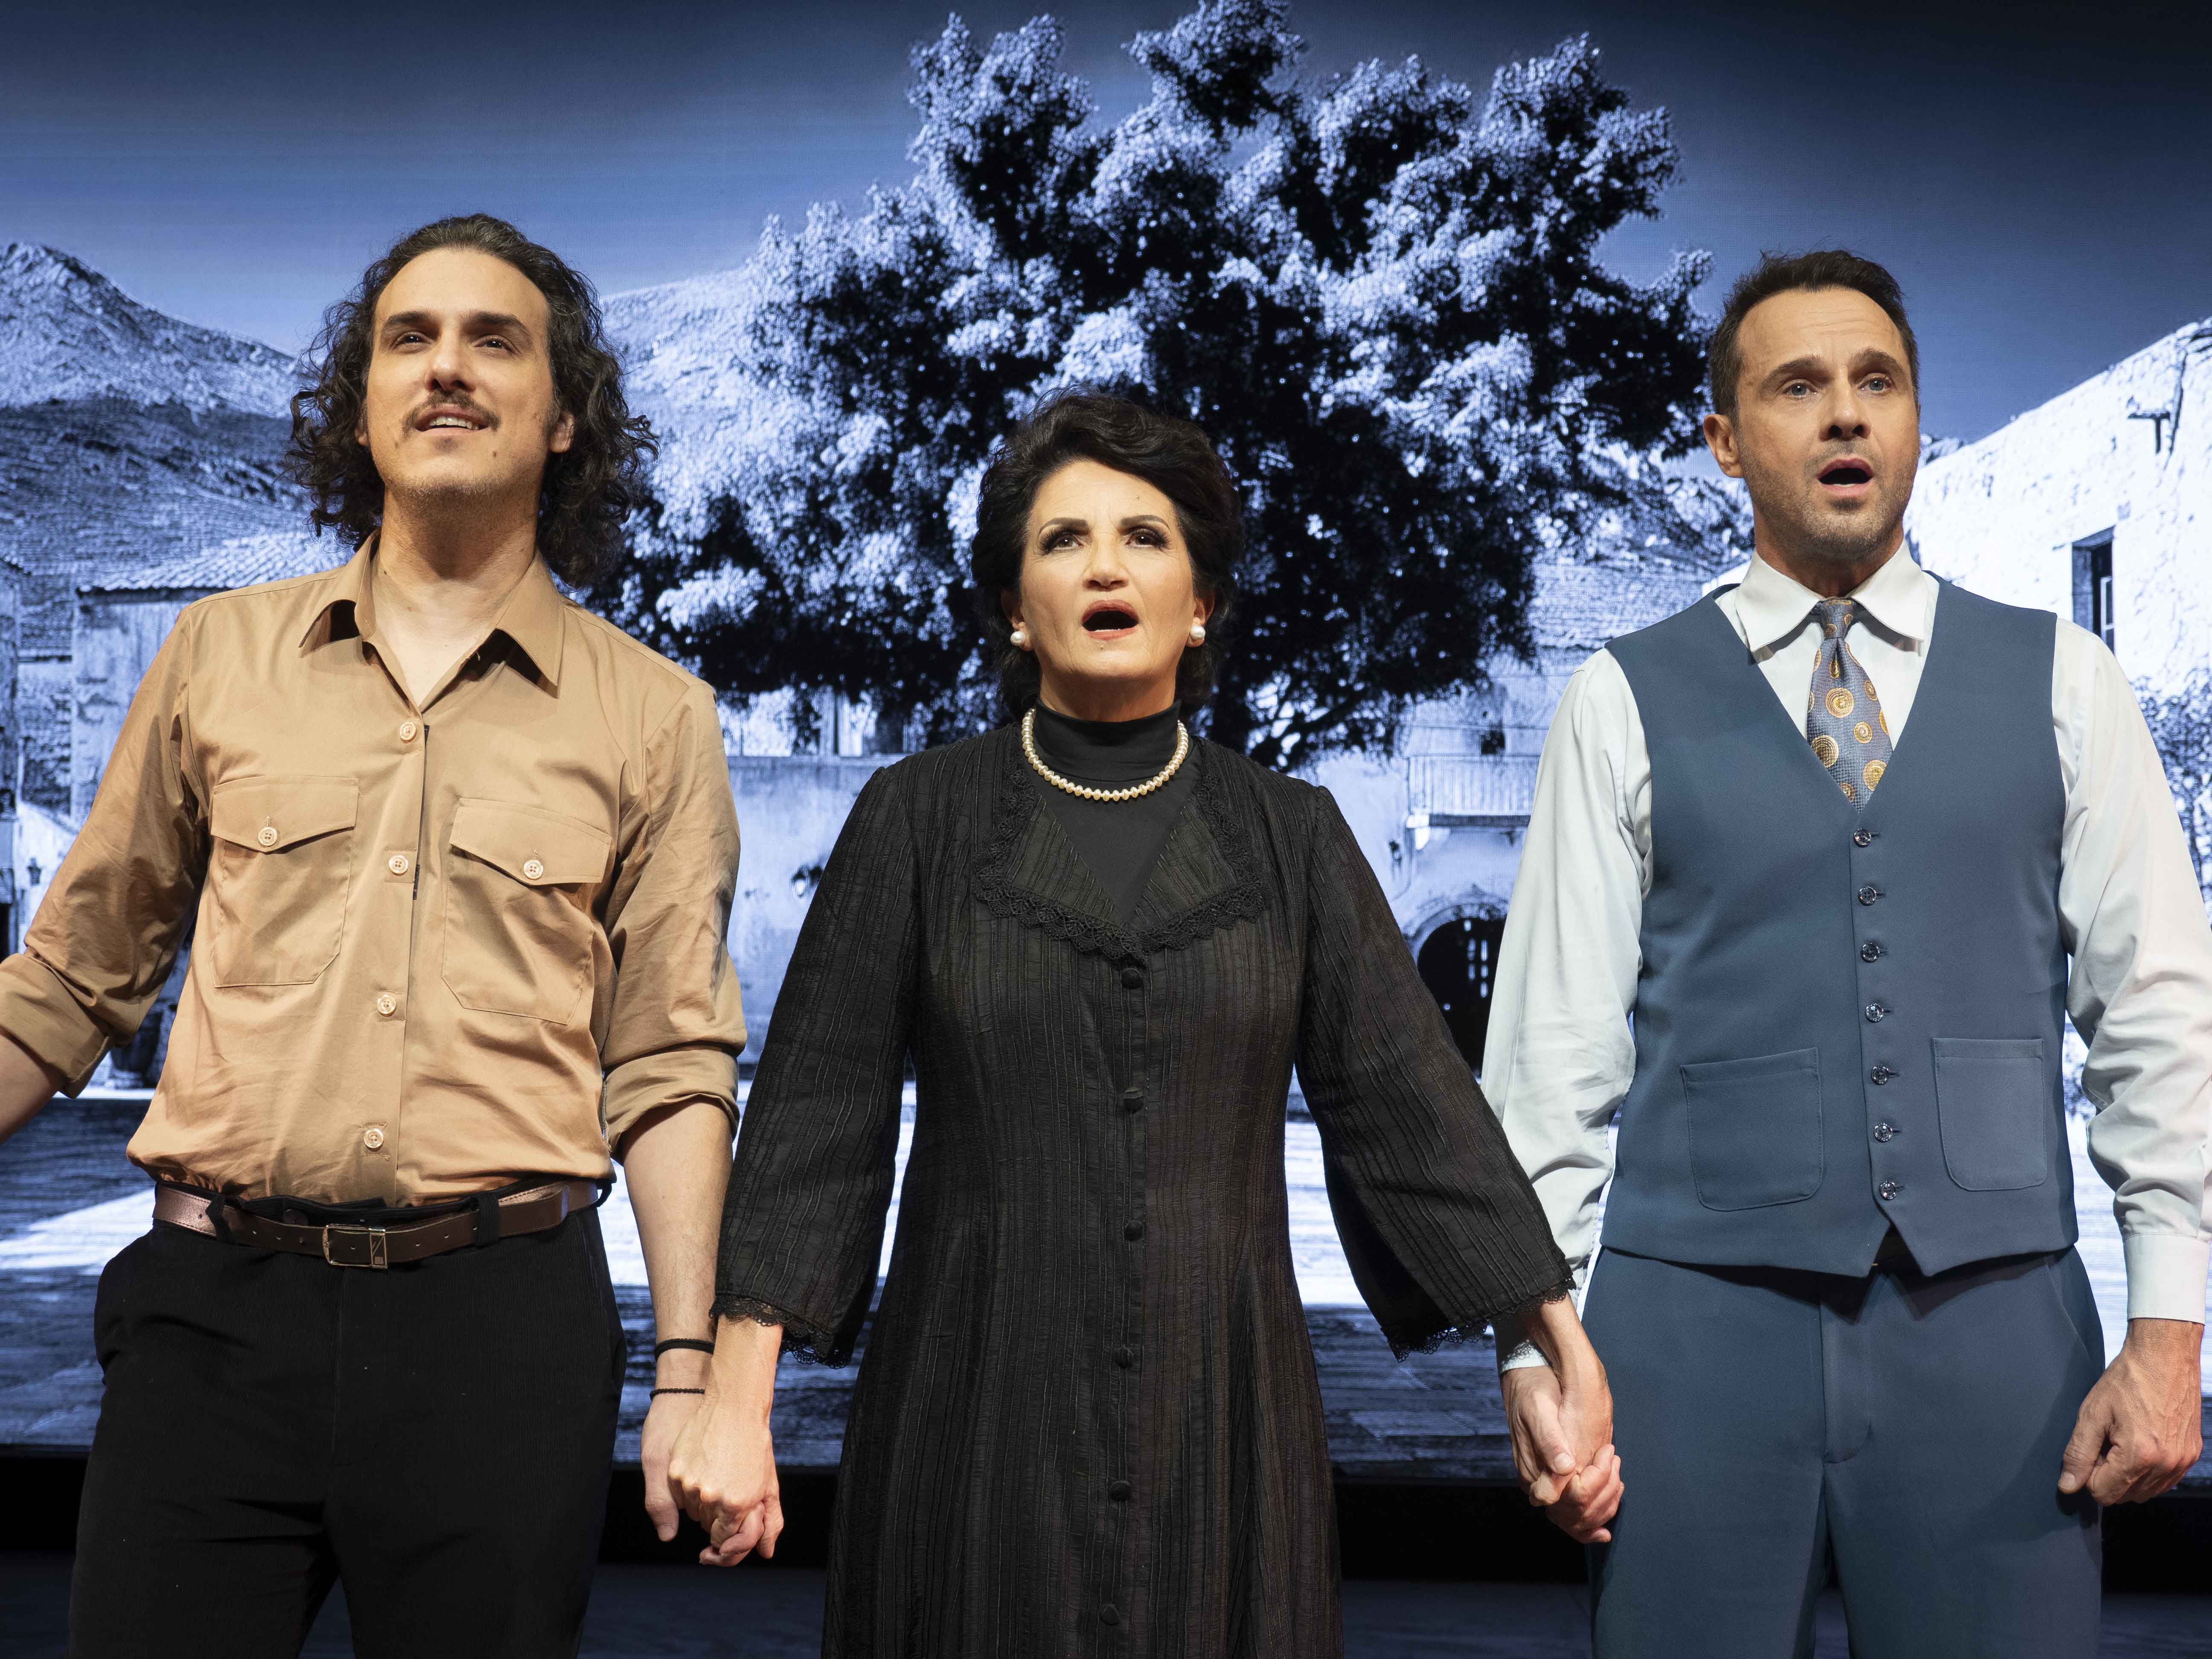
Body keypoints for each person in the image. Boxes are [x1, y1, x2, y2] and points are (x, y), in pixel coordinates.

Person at [669, 390, 1610, 1656]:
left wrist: (1546, 1343)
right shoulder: (916, 818)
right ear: (1016, 607)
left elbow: (1412, 1107)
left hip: (1224, 1418)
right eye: (1063, 540)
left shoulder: (1291, 837)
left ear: (1200, 601)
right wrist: (736, 1399)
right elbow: (815, 1124)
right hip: (972, 1412)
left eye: (1145, 537)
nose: (1105, 566)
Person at [0, 215, 747, 1657]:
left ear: (567, 416)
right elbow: (70, 982)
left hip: (505, 1334)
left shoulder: (657, 716)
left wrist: (688, 1374)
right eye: (410, 338)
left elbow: (669, 1063)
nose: (447, 367)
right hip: (212, 1324)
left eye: (494, 340)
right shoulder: (216, 655)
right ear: (361, 404)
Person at [1484, 249, 2212, 1656]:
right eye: (1797, 385)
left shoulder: (2068, 683)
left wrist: (2173, 1331)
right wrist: (1532, 1341)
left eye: (1878, 381)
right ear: (1724, 440)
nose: (1845, 414)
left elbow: (2161, 1019)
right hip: (1688, 1335)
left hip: (1997, 1332)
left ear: (1918, 420)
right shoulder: (1621, 699)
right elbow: (1549, 1057)